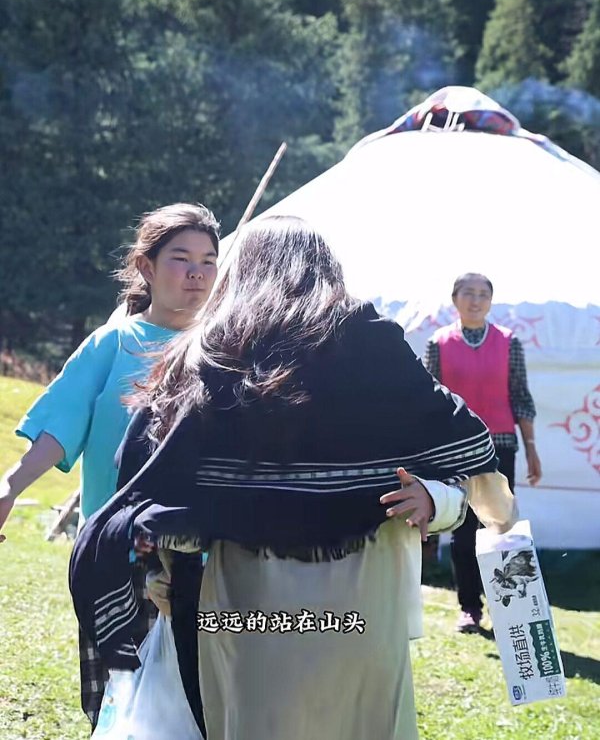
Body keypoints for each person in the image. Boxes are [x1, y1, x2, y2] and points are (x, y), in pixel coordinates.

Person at [70, 217, 517, 740]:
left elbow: (153, 479)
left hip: (238, 605)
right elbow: (468, 443)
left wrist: (161, 566)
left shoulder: (210, 348)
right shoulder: (372, 344)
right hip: (363, 608)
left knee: (254, 721)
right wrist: (452, 500)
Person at [0, 202, 220, 729]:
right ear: (146, 267)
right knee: (122, 705)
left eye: (209, 261)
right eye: (181, 258)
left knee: (200, 706)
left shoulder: (224, 351)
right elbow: (60, 428)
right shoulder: (113, 342)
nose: (196, 273)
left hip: (204, 561)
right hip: (118, 555)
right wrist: (9, 489)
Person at [423, 272, 541, 634]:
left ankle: (510, 607)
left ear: (491, 301)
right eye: (468, 293)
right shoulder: (438, 343)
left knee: (503, 527)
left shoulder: (509, 343)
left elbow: (521, 397)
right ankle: (470, 608)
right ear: (454, 299)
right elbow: (430, 404)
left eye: (483, 295)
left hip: (501, 444)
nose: (476, 301)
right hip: (456, 451)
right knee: (463, 529)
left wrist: (532, 449)